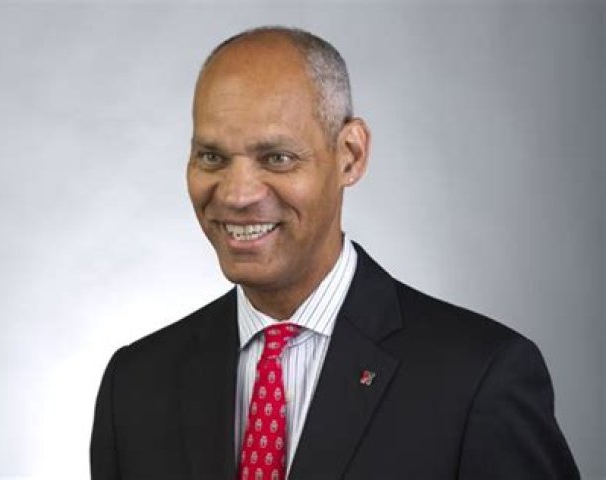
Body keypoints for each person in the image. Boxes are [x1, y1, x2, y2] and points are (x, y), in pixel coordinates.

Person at [90, 26, 579, 479]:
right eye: (212, 157)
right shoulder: (134, 386)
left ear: (350, 155)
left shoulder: (478, 378)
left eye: (277, 158)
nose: (237, 195)